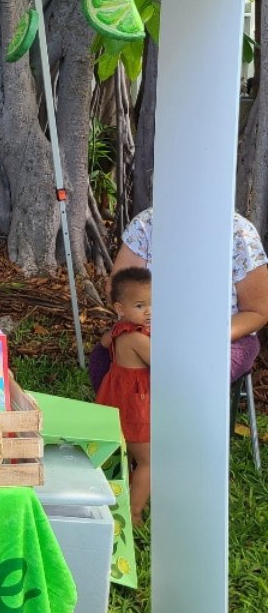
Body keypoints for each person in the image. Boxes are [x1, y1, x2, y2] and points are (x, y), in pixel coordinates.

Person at [89, 207, 268, 390]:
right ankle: (131, 416)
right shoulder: (147, 223)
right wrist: (147, 324)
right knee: (103, 363)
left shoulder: (240, 232)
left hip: (224, 335)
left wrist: (204, 336)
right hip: (149, 327)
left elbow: (257, 311)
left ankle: (163, 416)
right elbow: (118, 289)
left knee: (189, 376)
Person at [96, 267, 152, 522]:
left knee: (125, 456)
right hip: (136, 406)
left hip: (117, 399)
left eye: (153, 304)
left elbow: (106, 342)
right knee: (150, 462)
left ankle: (116, 500)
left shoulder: (119, 330)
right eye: (140, 306)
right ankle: (134, 512)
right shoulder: (136, 338)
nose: (149, 311)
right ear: (120, 308)